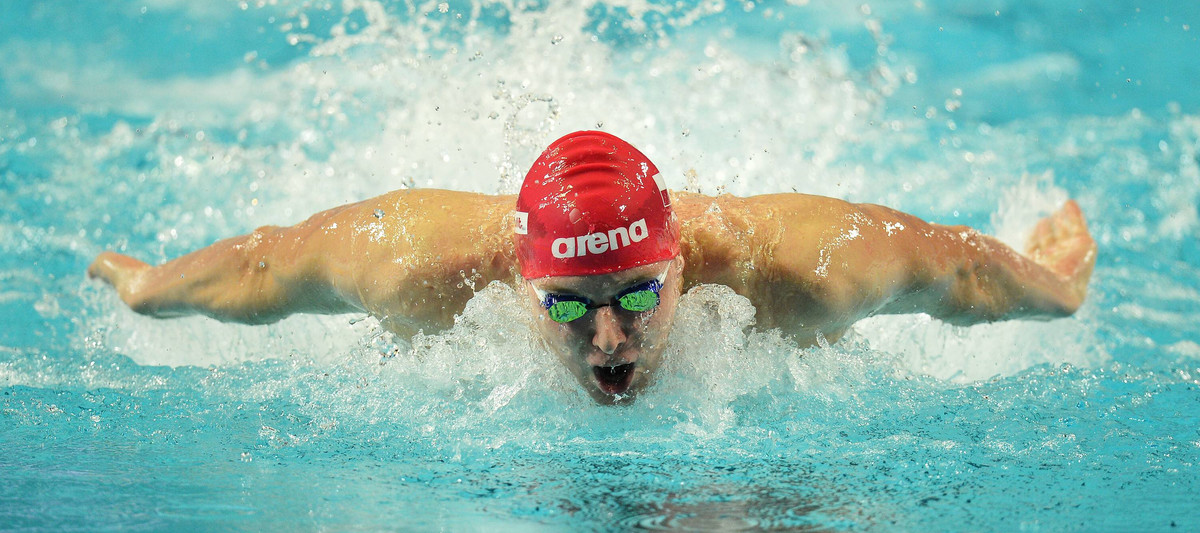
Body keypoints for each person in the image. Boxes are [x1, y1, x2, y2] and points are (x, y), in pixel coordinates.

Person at [88, 130, 1097, 403]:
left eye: (640, 298)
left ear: (682, 261)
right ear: (518, 281)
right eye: (568, 307)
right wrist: (150, 287)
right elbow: (270, 270)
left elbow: (956, 274)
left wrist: (1055, 287)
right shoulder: (417, 266)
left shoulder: (795, 266)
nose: (610, 341)